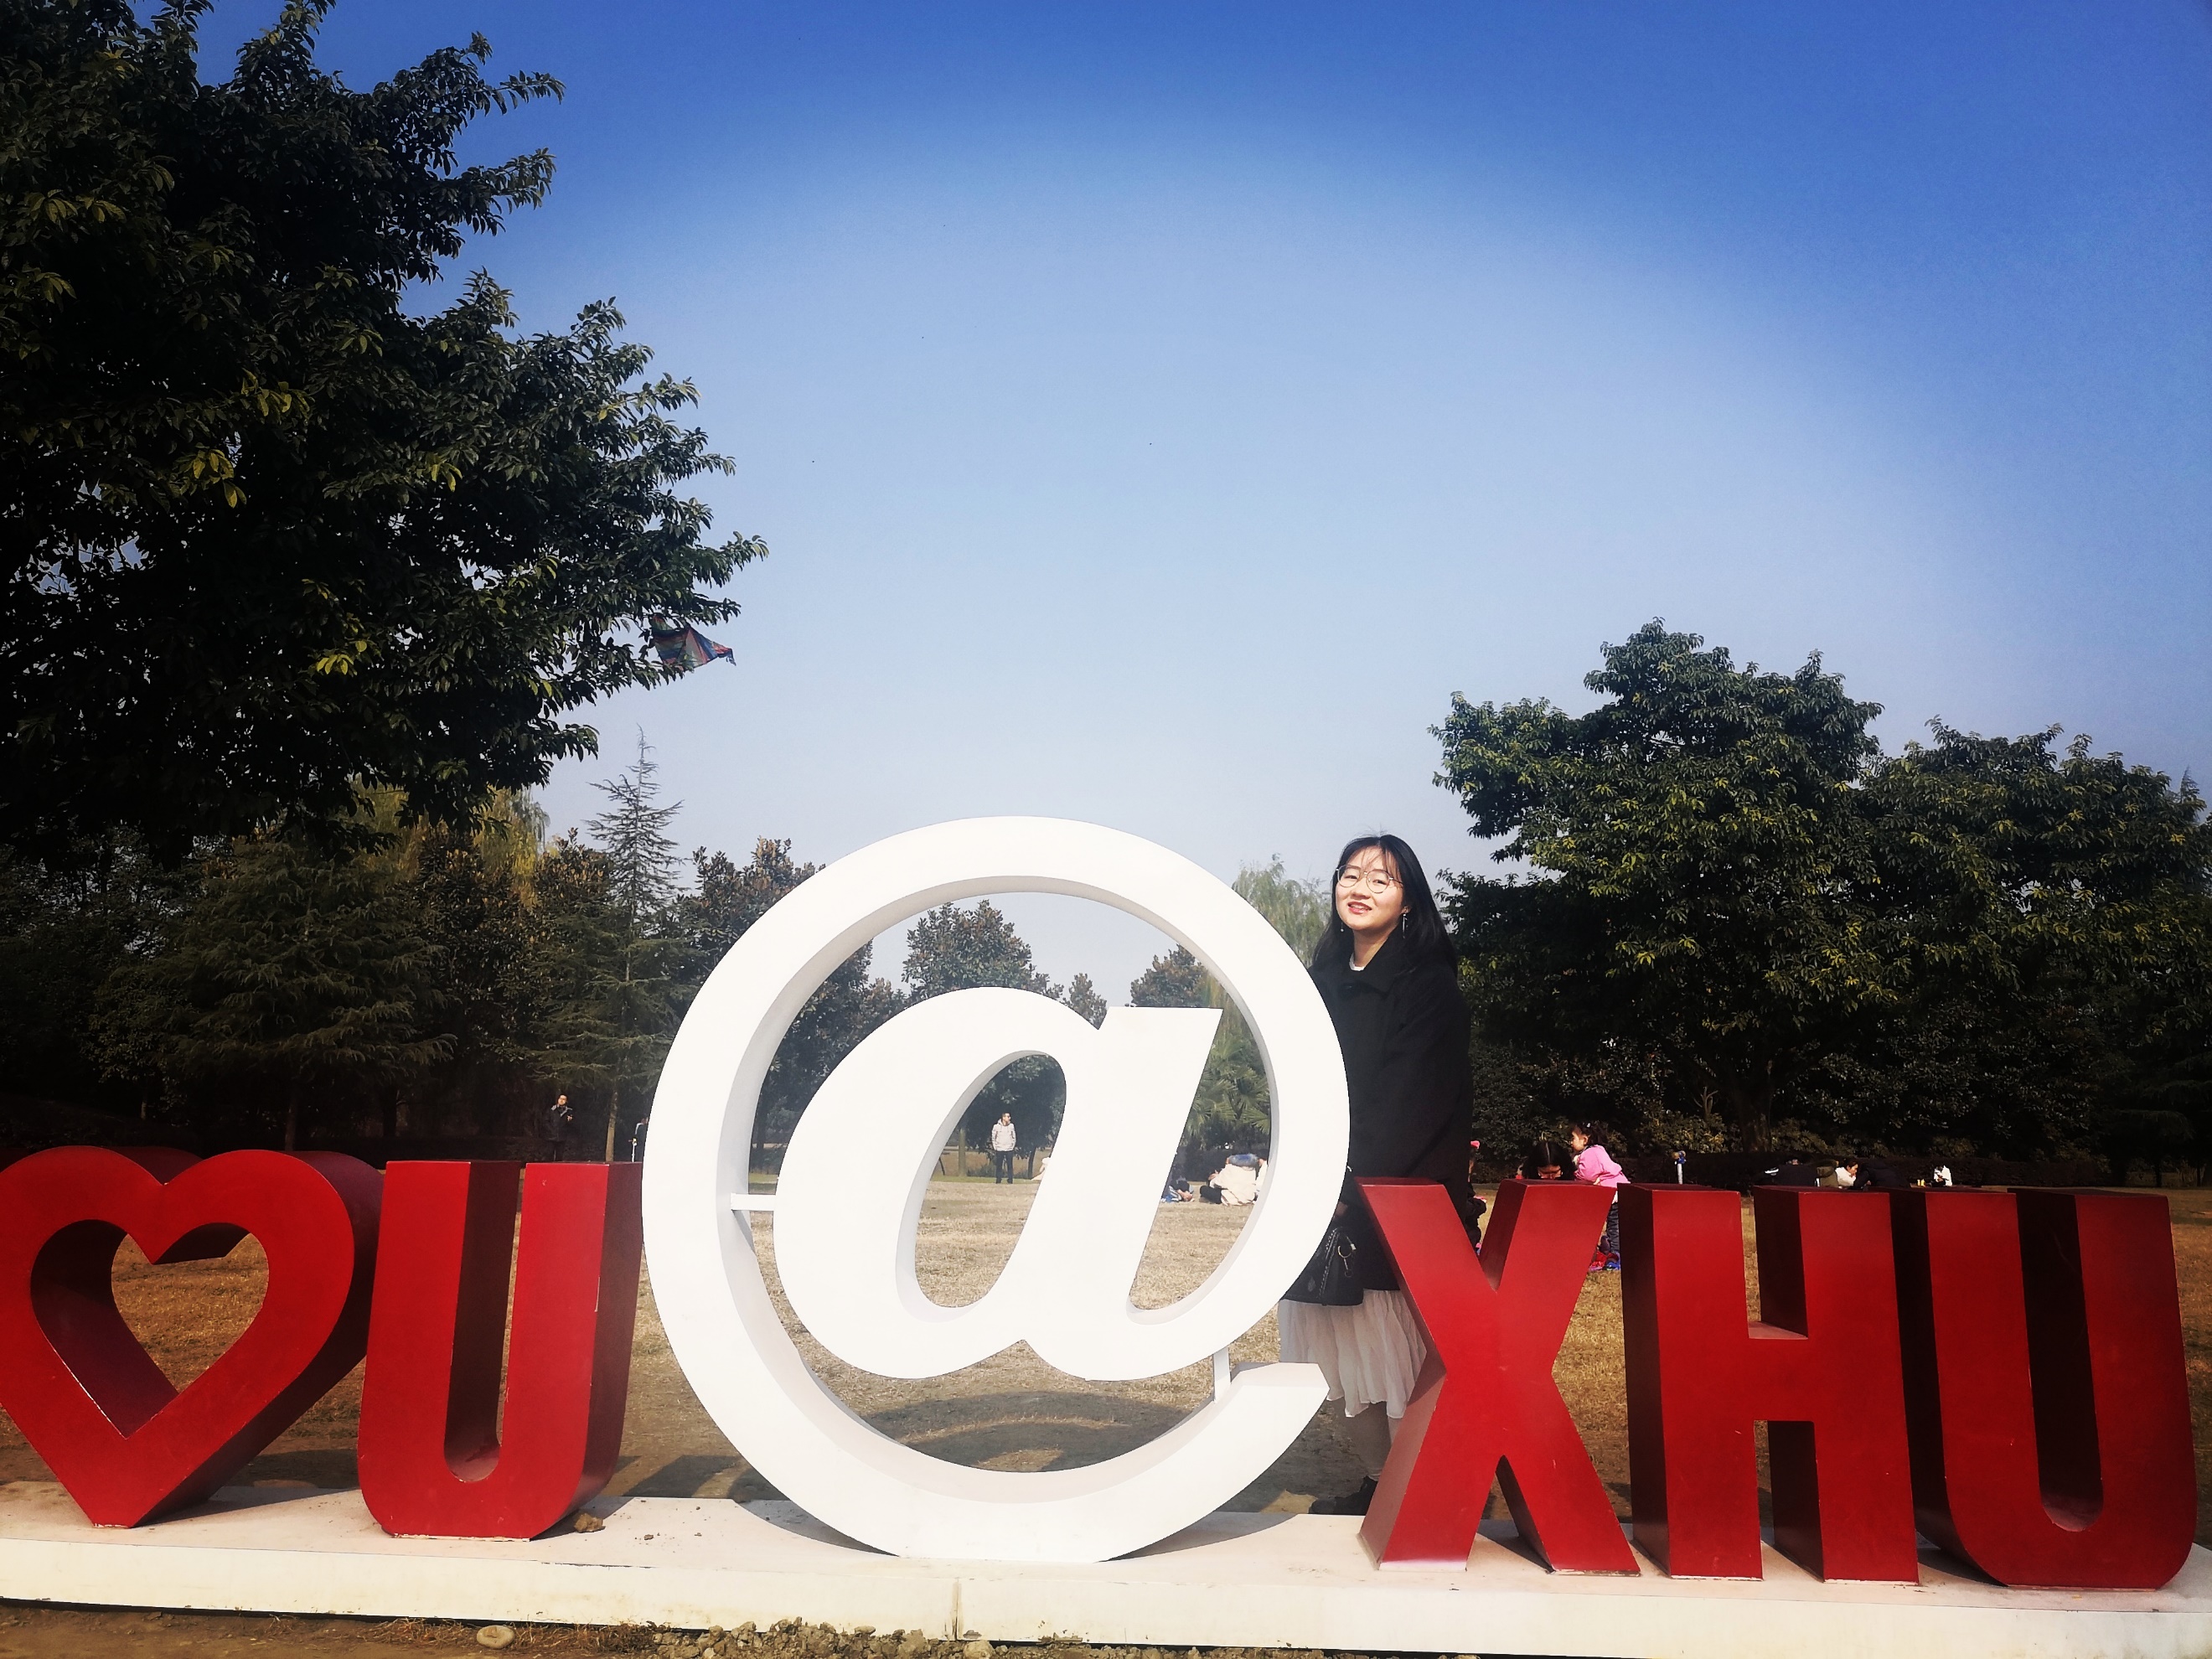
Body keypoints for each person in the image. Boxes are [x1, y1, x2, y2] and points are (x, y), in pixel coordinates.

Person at [1278, 834, 1471, 1517]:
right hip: (1320, 1192)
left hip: (1393, 1197)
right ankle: (1379, 1481)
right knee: (1329, 1346)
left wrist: (1345, 1189)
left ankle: (1423, 1490)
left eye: (1380, 881)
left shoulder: (1428, 987)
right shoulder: (1319, 984)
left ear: (1408, 901)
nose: (1359, 889)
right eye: (1349, 875)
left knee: (1391, 1350)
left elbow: (1410, 1103)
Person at [1569, 1123, 1625, 1273]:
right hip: (1616, 1190)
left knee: (1614, 1226)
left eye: (1573, 1138)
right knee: (1614, 1223)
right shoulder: (1597, 1150)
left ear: (1585, 1140)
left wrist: (1575, 1174)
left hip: (1613, 1193)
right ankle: (1611, 1247)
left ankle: (1616, 1255)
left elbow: (1588, 1175)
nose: (1570, 1142)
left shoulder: (1590, 1153)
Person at [990, 1113, 1018, 1183]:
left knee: (1010, 1165)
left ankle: (1010, 1179)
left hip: (1009, 1148)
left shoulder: (1011, 1126)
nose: (1009, 1118)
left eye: (1009, 1116)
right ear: (1003, 1118)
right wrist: (995, 1147)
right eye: (1007, 1116)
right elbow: (993, 1137)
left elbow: (1014, 1136)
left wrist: (1012, 1145)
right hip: (1000, 1148)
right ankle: (998, 1179)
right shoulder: (996, 1126)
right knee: (999, 1165)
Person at [546, 1093, 576, 1161]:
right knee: (549, 1153)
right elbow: (546, 1121)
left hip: (562, 1136)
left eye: (564, 1099)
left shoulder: (569, 1111)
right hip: (551, 1136)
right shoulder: (551, 1110)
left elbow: (573, 1125)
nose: (561, 1100)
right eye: (560, 1099)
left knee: (559, 1155)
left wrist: (570, 1121)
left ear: (566, 1101)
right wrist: (551, 1130)